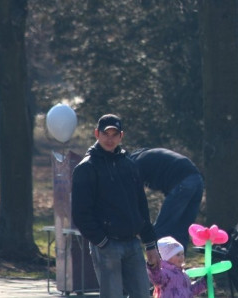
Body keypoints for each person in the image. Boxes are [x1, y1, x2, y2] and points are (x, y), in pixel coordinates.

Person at [71, 114, 161, 297]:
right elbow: (80, 213)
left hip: (133, 243)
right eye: (106, 134)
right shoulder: (86, 168)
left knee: (143, 294)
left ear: (121, 136)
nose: (110, 139)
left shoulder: (129, 164)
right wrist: (102, 242)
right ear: (97, 134)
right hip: (107, 246)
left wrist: (150, 243)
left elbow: (141, 206)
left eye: (114, 134)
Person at [129, 148, 205, 254]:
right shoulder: (147, 156)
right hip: (197, 180)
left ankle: (157, 262)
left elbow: (134, 197)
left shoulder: (134, 165)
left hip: (182, 182)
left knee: (161, 229)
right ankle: (178, 262)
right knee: (182, 229)